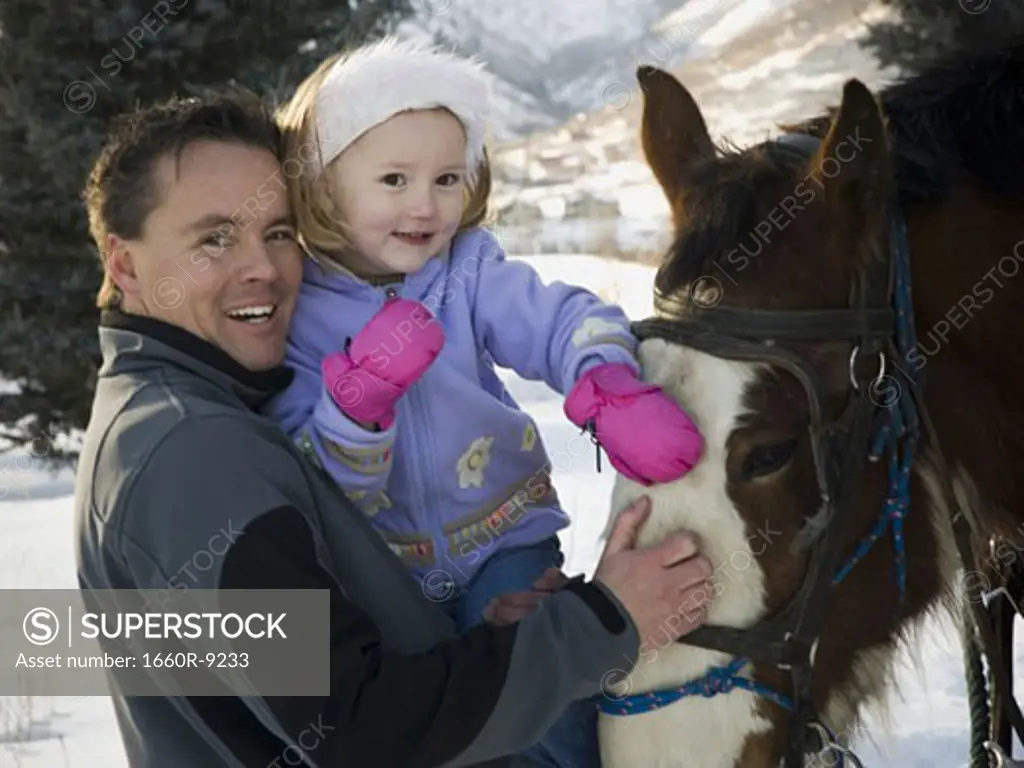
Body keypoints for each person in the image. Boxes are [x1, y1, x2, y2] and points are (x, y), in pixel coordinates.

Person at [73, 86, 715, 768]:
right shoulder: (189, 451)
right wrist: (601, 626)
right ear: (124, 264)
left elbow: (324, 678)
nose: (262, 269)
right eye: (214, 238)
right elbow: (356, 727)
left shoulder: (198, 413)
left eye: (279, 233)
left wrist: (481, 637)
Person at [266, 37, 704, 767]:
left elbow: (560, 317)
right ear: (321, 184)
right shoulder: (300, 316)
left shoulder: (466, 273)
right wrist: (359, 403)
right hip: (383, 575)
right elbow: (325, 490)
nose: (425, 204)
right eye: (394, 179)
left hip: (503, 541)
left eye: (446, 177)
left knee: (549, 711)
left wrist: (605, 380)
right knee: (435, 727)